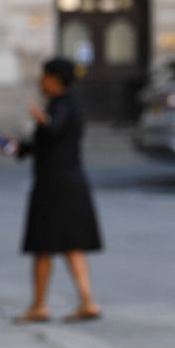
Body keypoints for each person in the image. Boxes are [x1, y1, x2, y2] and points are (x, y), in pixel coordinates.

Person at [15, 57, 103, 322]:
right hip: (69, 184)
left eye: (45, 76)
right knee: (71, 245)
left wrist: (43, 121)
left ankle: (40, 305)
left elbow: (54, 130)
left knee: (44, 246)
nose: (41, 82)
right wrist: (15, 147)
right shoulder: (64, 106)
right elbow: (41, 144)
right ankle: (86, 301)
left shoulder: (63, 106)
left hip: (54, 186)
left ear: (56, 79)